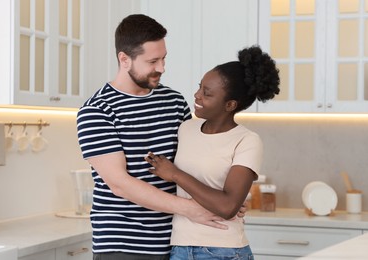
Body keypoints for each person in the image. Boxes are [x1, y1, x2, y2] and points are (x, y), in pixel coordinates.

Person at [76, 14, 246, 260]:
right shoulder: (97, 110)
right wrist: (192, 209)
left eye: (164, 58)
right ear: (124, 59)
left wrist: (223, 201)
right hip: (124, 246)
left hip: (179, 242)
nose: (162, 68)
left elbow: (191, 162)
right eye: (152, 61)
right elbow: (119, 184)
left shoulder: (174, 101)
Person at [145, 45, 280, 259]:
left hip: (223, 250)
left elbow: (227, 206)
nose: (197, 95)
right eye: (200, 87)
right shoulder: (186, 129)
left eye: (207, 94)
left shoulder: (247, 141)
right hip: (180, 248)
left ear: (230, 104)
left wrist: (175, 174)